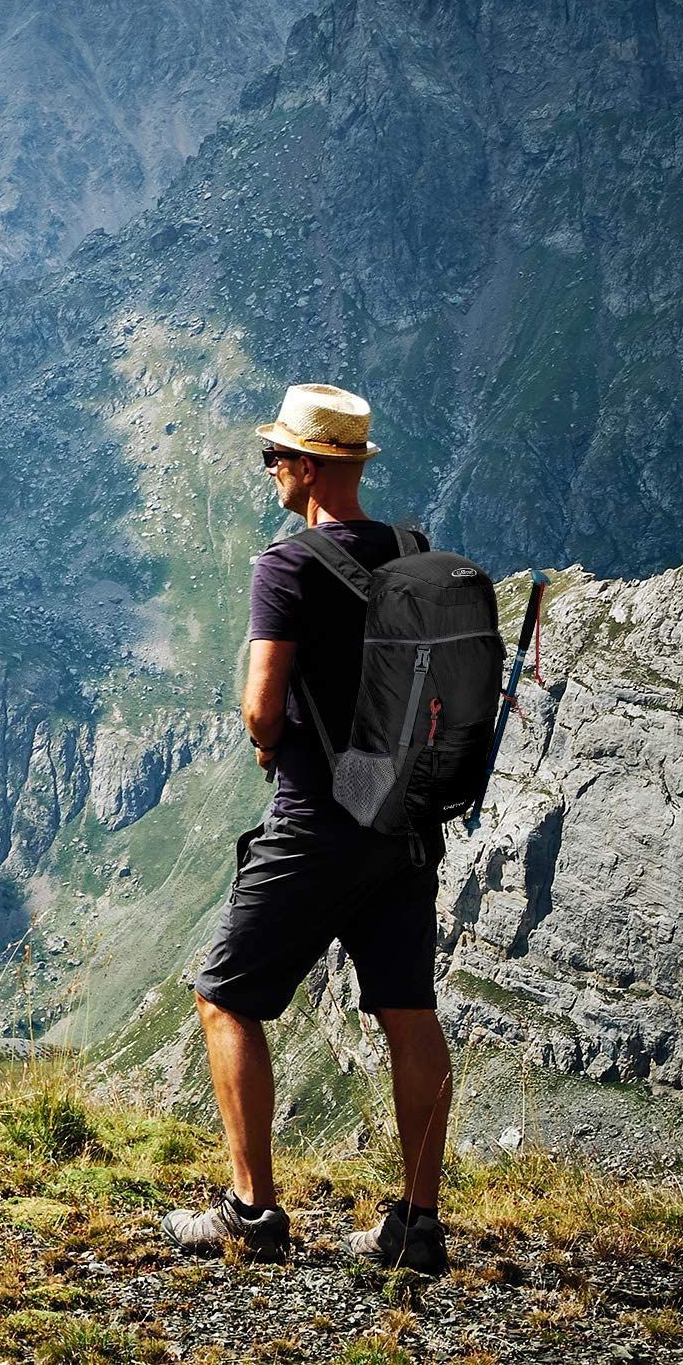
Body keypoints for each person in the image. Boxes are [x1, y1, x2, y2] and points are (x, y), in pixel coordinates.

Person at [160, 383, 452, 1274]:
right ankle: (418, 1224)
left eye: (276, 456)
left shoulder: (286, 566)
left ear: (311, 467)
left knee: (226, 998)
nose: (270, 470)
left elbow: (260, 707)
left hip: (317, 821)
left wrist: (273, 750)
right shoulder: (412, 550)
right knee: (409, 1010)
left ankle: (251, 1213)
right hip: (400, 825)